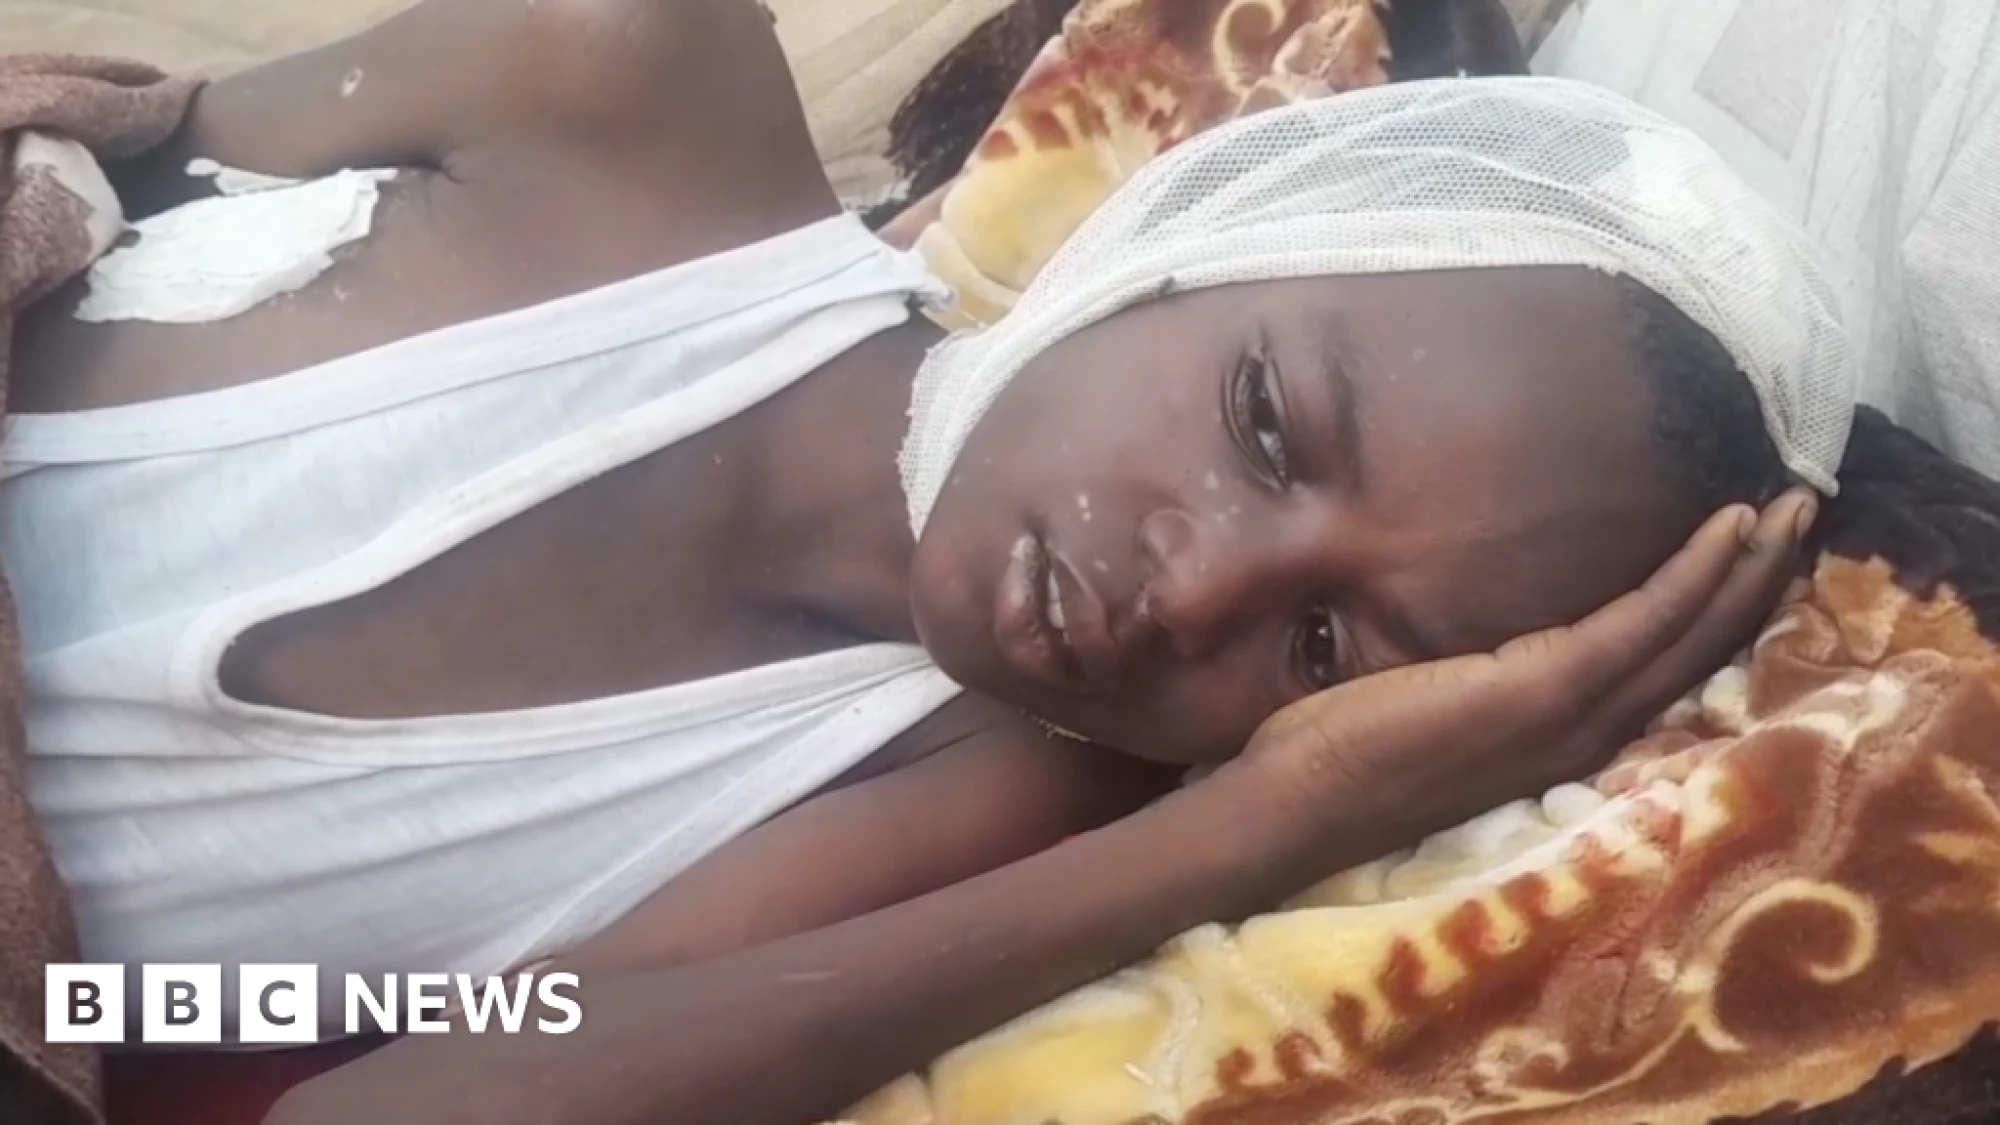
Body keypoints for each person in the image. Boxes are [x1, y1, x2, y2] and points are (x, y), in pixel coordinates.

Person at [3, 0, 1843, 1122]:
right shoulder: (618, 75)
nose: (1195, 587)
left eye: (1324, 647)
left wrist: (1266, 826)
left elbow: (393, 1091)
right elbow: (90, 161)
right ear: (1176, 244)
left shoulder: (996, 795)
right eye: (1267, 422)